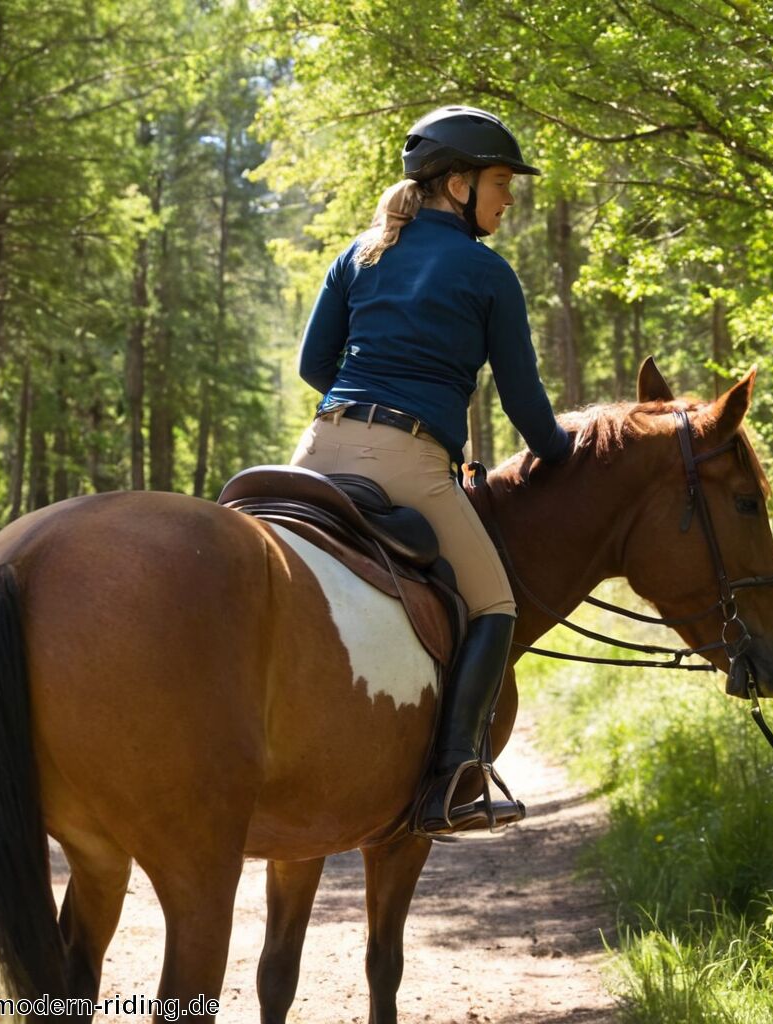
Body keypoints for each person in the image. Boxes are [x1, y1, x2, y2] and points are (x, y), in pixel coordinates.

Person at [290, 105, 570, 838]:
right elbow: (525, 406)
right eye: (501, 181)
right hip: (409, 464)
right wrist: (567, 455)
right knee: (495, 608)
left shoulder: (360, 253)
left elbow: (313, 365)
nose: (509, 198)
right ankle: (453, 779)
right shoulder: (486, 272)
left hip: (316, 451)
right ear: (457, 184)